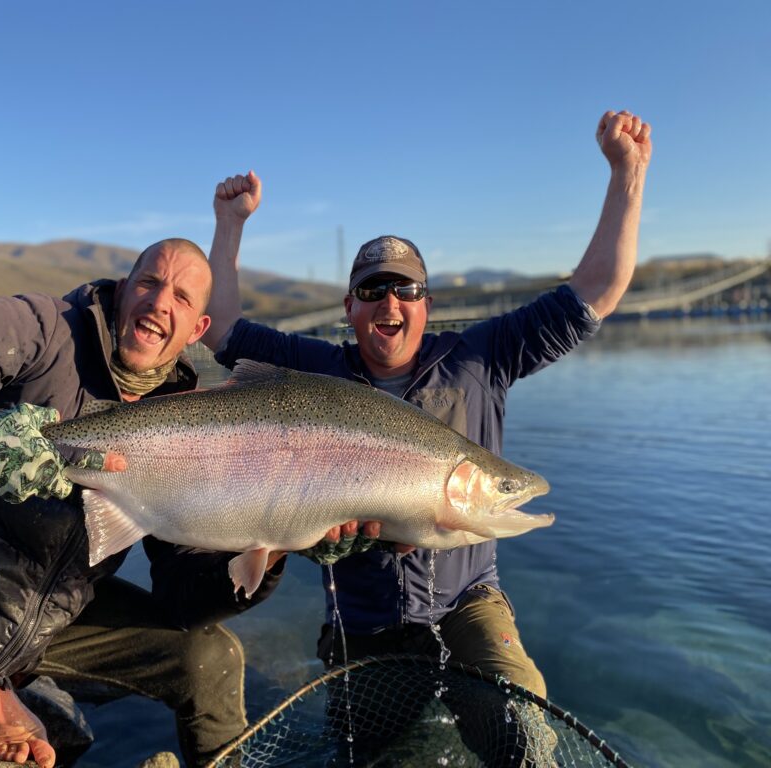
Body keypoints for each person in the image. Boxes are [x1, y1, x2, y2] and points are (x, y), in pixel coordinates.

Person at [203, 111, 651, 699]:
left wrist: (628, 173)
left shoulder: (481, 357)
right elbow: (221, 331)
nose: (389, 301)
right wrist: (229, 225)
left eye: (405, 289)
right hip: (359, 623)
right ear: (349, 308)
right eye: (371, 291)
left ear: (426, 303)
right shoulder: (316, 370)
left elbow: (596, 292)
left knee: (521, 724)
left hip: (470, 607)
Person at [0, 238, 291, 768]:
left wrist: (272, 543)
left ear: (197, 329)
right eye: (150, 283)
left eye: (181, 297)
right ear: (124, 288)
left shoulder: (185, 416)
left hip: (46, 624)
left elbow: (184, 597)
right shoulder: (43, 329)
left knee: (212, 657)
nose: (160, 303)